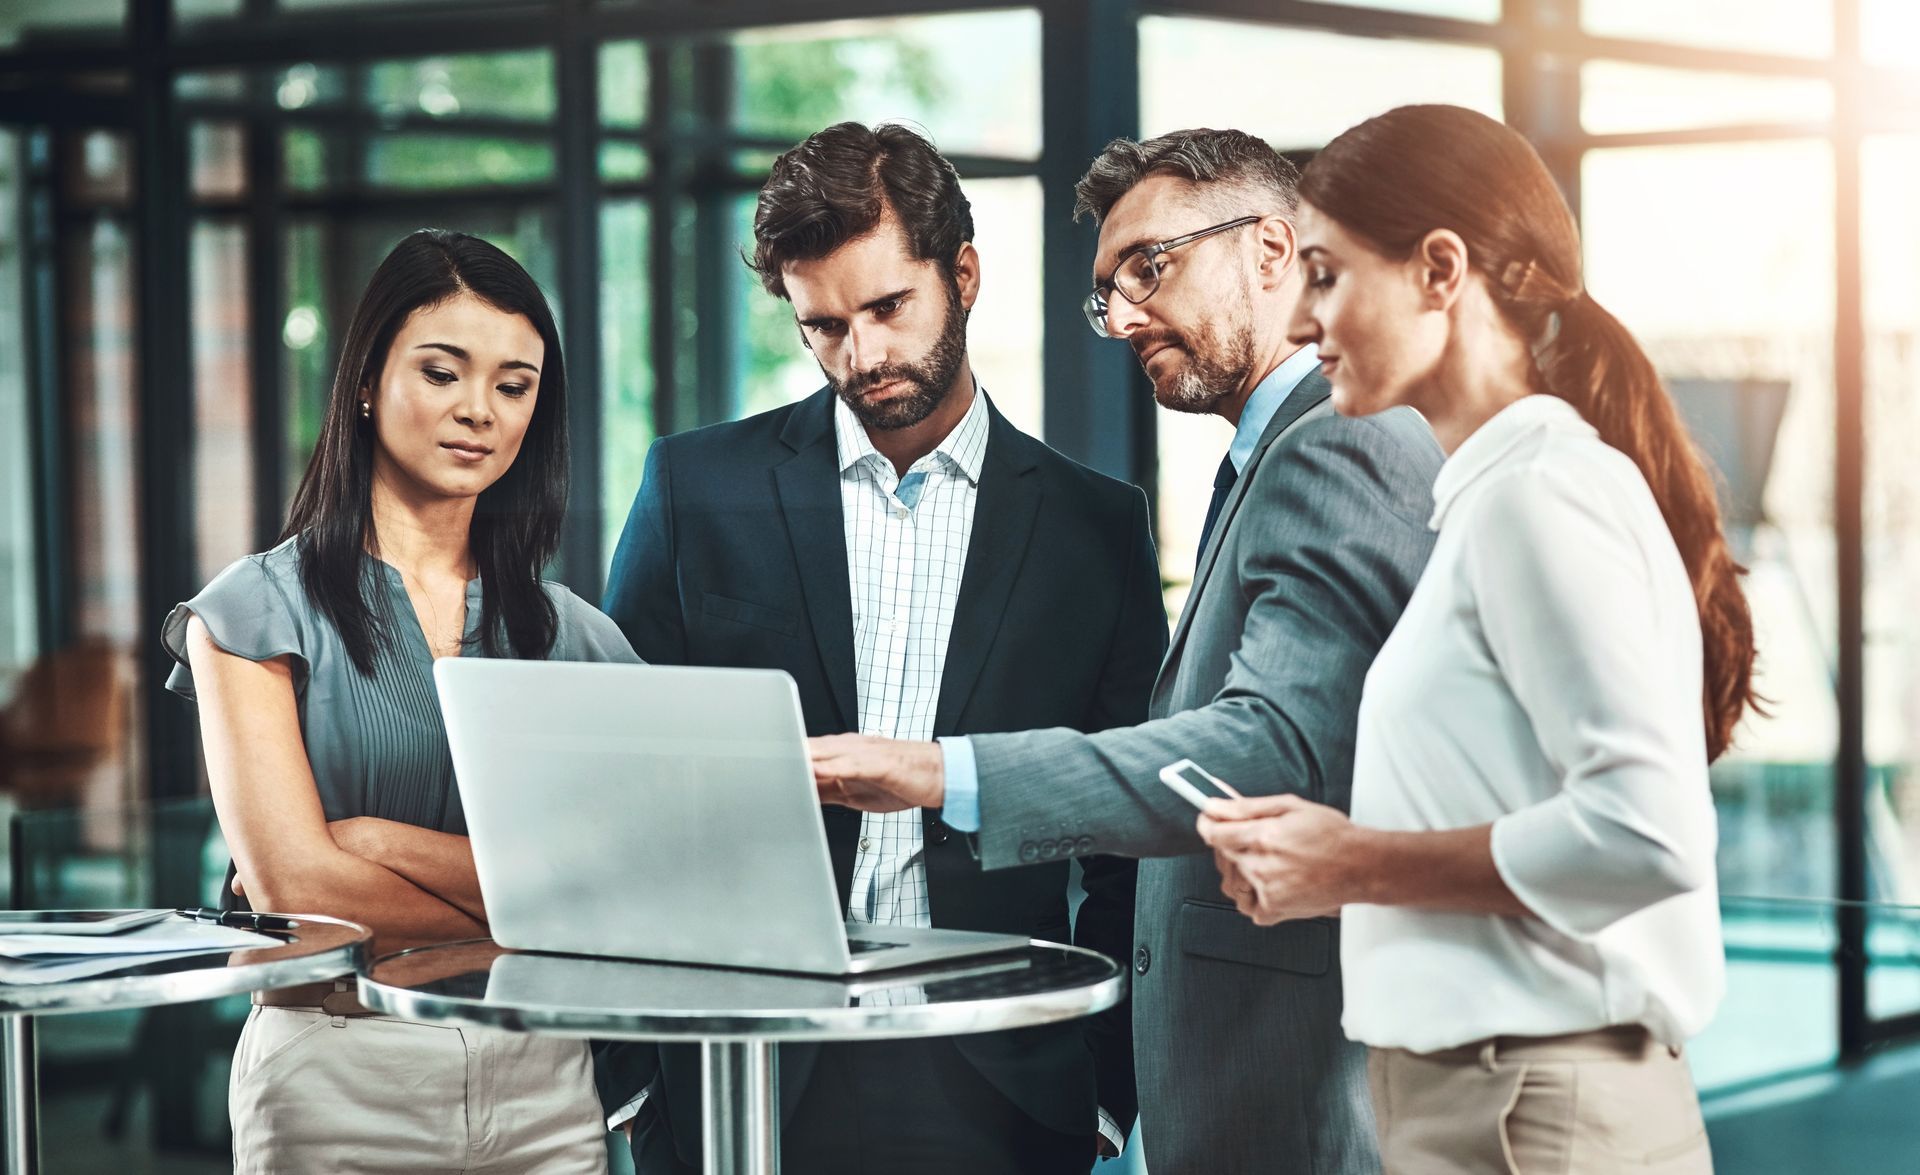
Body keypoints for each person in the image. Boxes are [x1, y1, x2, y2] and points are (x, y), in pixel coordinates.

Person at [808, 128, 1443, 1173]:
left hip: (1300, 1089)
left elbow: (1273, 746)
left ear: (1275, 249)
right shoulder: (1265, 457)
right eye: (1110, 291)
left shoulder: (1339, 437)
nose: (1127, 316)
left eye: (1152, 266)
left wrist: (938, 769)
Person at [1197, 104, 1758, 1174]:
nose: (1304, 321)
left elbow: (1650, 831)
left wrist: (1350, 860)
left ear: (1439, 269)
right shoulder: (1499, 497)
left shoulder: (1538, 497)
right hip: (1491, 1100)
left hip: (1532, 1110)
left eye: (1324, 273)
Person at [597, 122, 1160, 1175]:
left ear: (965, 273)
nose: (860, 357)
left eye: (887, 308)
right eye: (821, 327)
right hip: (740, 1066)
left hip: (1003, 1075)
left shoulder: (1098, 528)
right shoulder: (694, 488)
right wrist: (632, 1078)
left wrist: (1103, 1090)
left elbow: (1124, 830)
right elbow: (621, 786)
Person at [162, 229, 636, 1174]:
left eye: (514, 385)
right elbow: (300, 891)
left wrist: (375, 845)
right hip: (338, 1077)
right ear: (369, 381)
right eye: (442, 371)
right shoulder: (253, 613)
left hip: (542, 1077)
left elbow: (631, 890)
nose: (479, 412)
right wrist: (542, 907)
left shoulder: (577, 638)